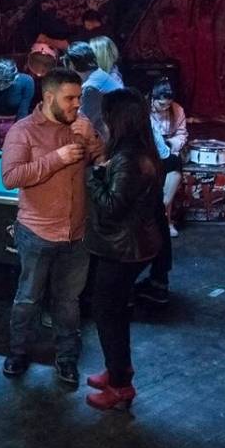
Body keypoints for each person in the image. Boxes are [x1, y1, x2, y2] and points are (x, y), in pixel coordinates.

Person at [0, 68, 103, 386]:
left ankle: (67, 359)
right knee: (28, 298)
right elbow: (11, 178)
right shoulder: (23, 131)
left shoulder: (82, 125)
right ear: (48, 97)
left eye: (79, 97)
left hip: (77, 233)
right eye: (70, 98)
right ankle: (18, 353)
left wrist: (96, 151)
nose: (77, 104)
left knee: (68, 302)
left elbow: (102, 159)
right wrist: (57, 158)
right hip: (36, 232)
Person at [84, 88, 164, 411]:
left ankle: (120, 385)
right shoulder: (138, 151)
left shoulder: (130, 159)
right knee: (115, 311)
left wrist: (92, 173)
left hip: (124, 249)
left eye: (107, 114)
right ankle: (119, 370)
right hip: (134, 245)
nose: (102, 120)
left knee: (107, 313)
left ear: (120, 120)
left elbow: (110, 207)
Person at [135, 79, 188, 305]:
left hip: (166, 151)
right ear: (152, 100)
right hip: (150, 157)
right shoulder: (143, 115)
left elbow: (182, 134)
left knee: (175, 163)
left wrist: (172, 144)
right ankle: (164, 214)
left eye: (167, 105)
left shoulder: (178, 112)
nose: (164, 108)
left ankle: (166, 209)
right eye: (160, 105)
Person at [63, 40, 122, 137]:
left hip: (110, 140)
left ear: (72, 64)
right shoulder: (99, 74)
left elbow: (83, 122)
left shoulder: (91, 88)